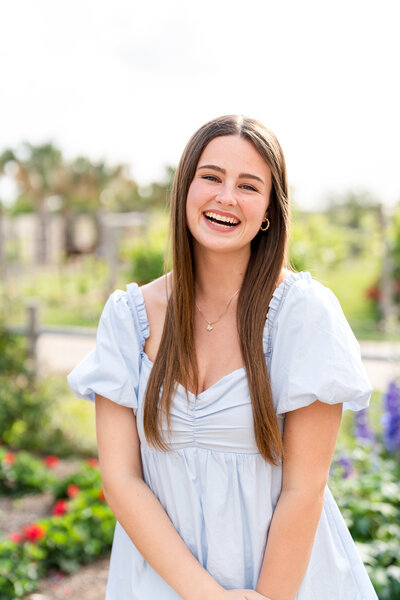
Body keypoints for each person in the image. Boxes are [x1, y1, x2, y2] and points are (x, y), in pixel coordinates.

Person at [67, 115, 378, 600]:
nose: (226, 197)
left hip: (287, 582)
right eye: (211, 177)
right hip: (162, 582)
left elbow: (304, 488)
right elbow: (122, 479)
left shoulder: (303, 315)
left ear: (270, 209)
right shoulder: (128, 319)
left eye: (248, 185)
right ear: (185, 189)